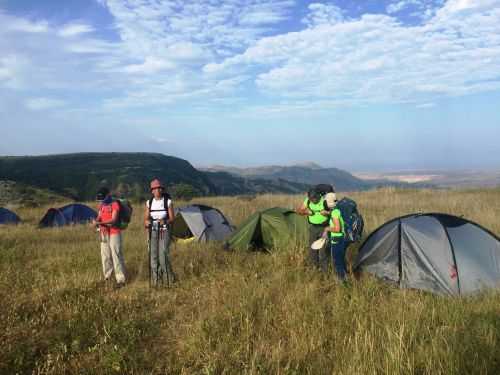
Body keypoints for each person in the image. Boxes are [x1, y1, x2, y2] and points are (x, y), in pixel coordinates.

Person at [144, 178, 176, 286]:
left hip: (164, 231)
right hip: (152, 231)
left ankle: (169, 279)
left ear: (162, 189)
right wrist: (147, 222)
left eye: (159, 188)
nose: (157, 190)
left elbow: (172, 218)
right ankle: (156, 280)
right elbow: (146, 218)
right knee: (153, 256)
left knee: (163, 255)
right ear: (152, 191)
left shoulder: (168, 201)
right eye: (155, 189)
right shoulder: (149, 202)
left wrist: (165, 221)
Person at [93, 187, 127, 288]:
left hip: (114, 232)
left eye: (102, 199)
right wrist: (96, 221)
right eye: (100, 200)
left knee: (116, 254)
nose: (101, 201)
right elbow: (99, 216)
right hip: (104, 233)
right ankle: (108, 277)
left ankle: (121, 280)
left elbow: (113, 220)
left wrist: (99, 223)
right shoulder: (102, 205)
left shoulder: (115, 204)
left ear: (108, 195)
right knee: (105, 255)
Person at [296, 188, 331, 271]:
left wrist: (327, 213)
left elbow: (335, 213)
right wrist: (306, 212)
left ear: (318, 196)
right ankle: (313, 268)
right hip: (313, 228)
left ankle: (324, 271)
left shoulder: (325, 201)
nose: (312, 201)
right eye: (310, 199)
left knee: (323, 251)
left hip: (324, 228)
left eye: (313, 199)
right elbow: (299, 211)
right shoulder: (307, 201)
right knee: (312, 249)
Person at [322, 192, 347, 280]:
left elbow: (337, 228)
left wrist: (327, 229)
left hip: (337, 240)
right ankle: (345, 278)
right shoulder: (336, 210)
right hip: (341, 239)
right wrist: (327, 213)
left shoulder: (334, 213)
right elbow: (335, 216)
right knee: (341, 260)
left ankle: (342, 282)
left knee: (337, 262)